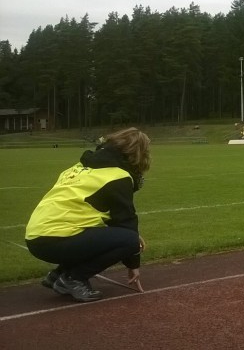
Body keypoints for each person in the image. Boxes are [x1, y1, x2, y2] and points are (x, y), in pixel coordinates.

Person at [25, 127, 151, 302]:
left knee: (108, 235)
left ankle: (58, 275)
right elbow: (126, 222)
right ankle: (73, 278)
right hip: (55, 238)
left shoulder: (79, 167)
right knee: (129, 240)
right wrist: (133, 264)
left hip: (35, 236)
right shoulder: (118, 176)